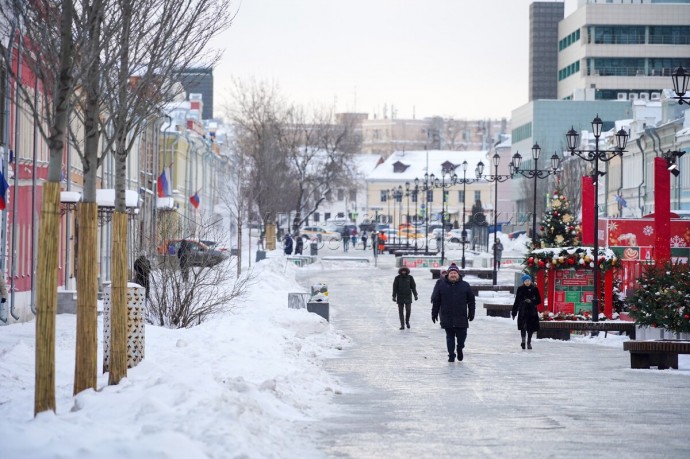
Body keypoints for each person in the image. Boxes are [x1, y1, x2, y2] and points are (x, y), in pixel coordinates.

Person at [431, 263, 476, 362]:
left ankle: (460, 348)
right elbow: (436, 301)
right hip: (447, 317)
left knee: (462, 337)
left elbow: (471, 300)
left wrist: (472, 312)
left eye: (455, 273)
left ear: (458, 274)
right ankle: (451, 355)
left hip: (461, 317)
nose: (453, 275)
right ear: (448, 274)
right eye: (451, 273)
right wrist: (434, 313)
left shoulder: (465, 285)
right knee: (450, 337)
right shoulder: (442, 285)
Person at [512, 274, 541, 350]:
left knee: (530, 328)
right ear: (523, 282)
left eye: (528, 281)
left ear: (530, 281)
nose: (527, 282)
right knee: (523, 327)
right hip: (523, 310)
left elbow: (539, 300)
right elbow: (517, 301)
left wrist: (532, 301)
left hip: (532, 311)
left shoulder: (535, 289)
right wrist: (514, 312)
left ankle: (529, 342)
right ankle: (523, 341)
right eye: (526, 281)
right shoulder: (520, 289)